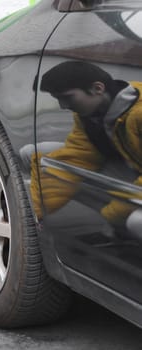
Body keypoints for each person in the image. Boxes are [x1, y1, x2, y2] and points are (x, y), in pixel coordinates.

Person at [29, 60, 142, 239]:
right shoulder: (89, 115)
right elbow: (77, 156)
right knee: (37, 155)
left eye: (67, 97)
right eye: (58, 99)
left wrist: (113, 213)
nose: (63, 106)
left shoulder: (138, 114)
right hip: (132, 171)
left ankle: (120, 226)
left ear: (98, 88)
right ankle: (117, 226)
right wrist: (32, 213)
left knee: (136, 221)